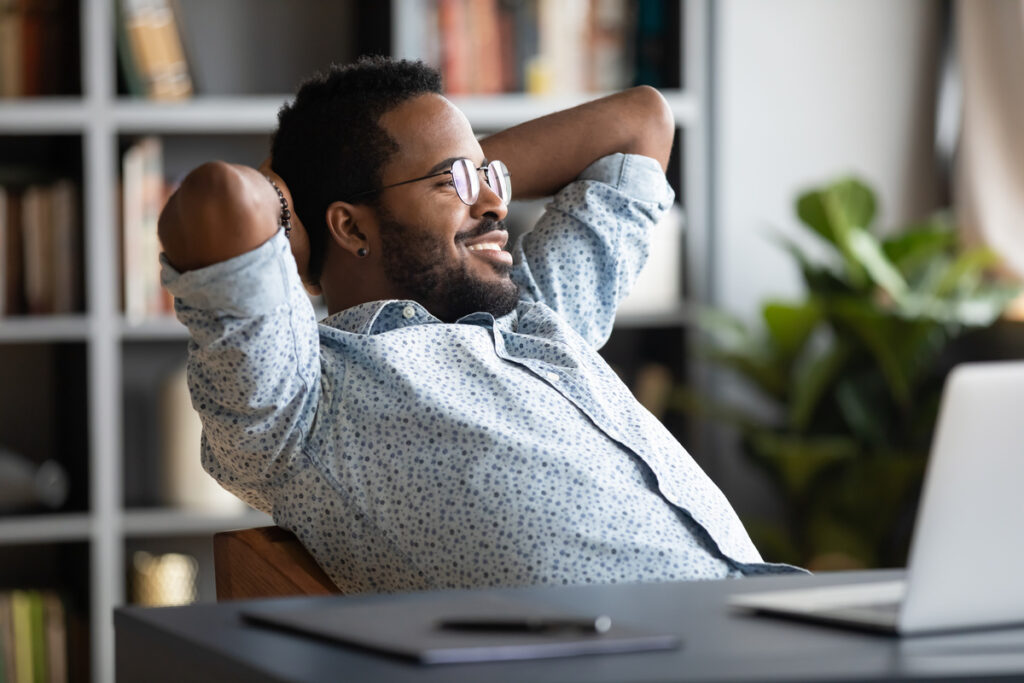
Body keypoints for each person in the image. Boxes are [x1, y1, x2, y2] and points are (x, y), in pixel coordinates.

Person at [159, 57, 802, 594]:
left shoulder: (536, 312)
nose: (499, 202)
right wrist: (314, 199)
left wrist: (454, 177)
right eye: (457, 182)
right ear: (350, 226)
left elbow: (641, 122)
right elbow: (219, 199)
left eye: (491, 177)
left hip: (778, 617)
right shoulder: (304, 402)